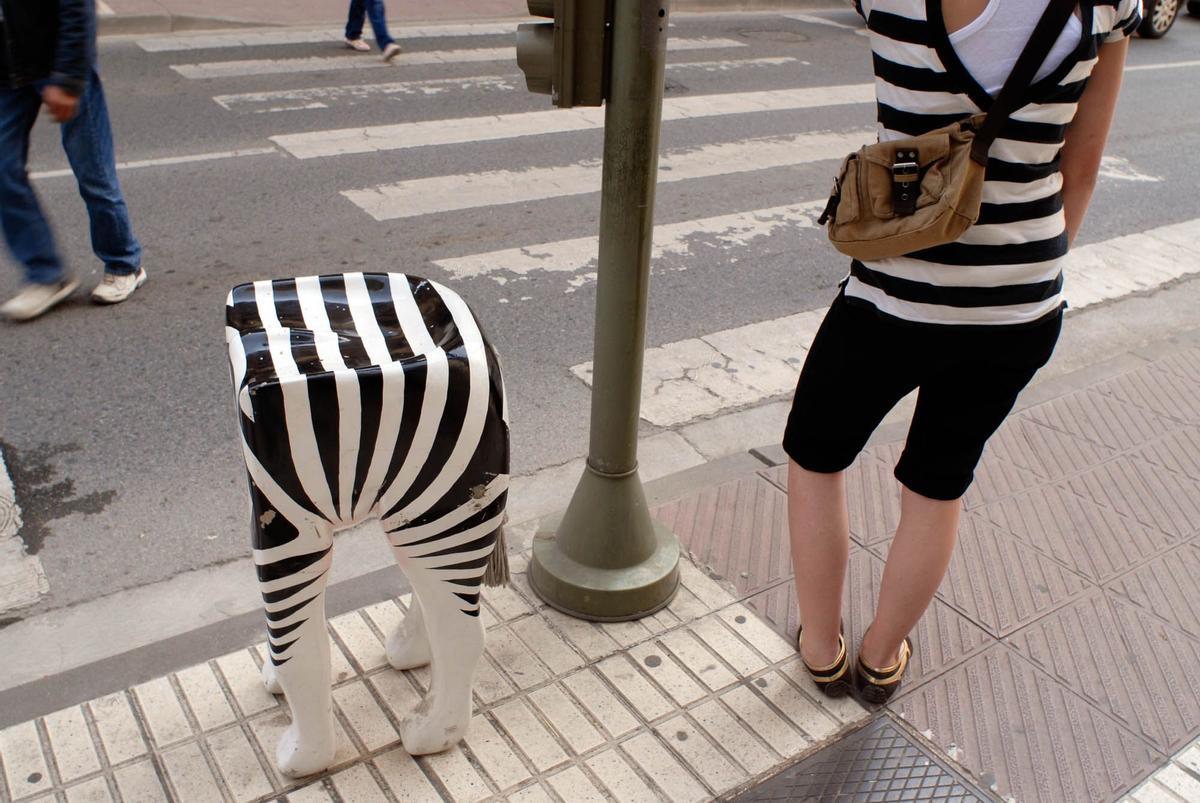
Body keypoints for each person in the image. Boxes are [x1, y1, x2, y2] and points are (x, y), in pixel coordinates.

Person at [784, 0, 1140, 702]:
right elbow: (1085, 168)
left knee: (815, 454)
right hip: (1020, 305)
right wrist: (1013, 275)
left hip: (893, 295)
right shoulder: (1111, 5)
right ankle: (883, 654)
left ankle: (823, 646)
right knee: (937, 482)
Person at [0, 0, 146, 322]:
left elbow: (77, 8)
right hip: (7, 71)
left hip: (57, 63)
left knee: (92, 171)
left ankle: (124, 263)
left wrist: (68, 79)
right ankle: (47, 273)